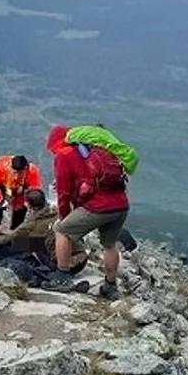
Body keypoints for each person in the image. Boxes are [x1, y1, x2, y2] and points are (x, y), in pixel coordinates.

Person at [45, 124, 130, 299]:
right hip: (120, 204)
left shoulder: (64, 154)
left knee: (62, 230)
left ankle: (62, 278)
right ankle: (110, 287)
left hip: (98, 206)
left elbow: (64, 194)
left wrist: (64, 217)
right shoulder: (94, 151)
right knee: (109, 244)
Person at [0, 154, 42, 229]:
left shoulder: (32, 172)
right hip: (3, 186)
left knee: (20, 210)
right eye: (15, 172)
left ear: (25, 169)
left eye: (20, 173)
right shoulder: (2, 167)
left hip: (22, 190)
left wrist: (26, 203)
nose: (16, 176)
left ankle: (15, 231)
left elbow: (35, 192)